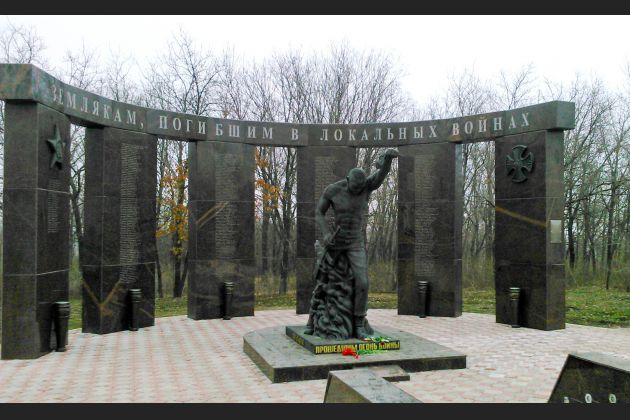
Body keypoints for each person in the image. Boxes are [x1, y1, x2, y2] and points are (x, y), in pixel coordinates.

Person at [304, 148, 400, 339]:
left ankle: (358, 324)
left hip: (355, 242)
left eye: (360, 187)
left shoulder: (366, 186)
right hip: (336, 241)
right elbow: (319, 213)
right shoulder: (333, 190)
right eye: (355, 187)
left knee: (362, 282)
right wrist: (326, 233)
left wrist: (388, 159)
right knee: (322, 279)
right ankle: (312, 320)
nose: (358, 190)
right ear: (348, 180)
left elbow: (380, 174)